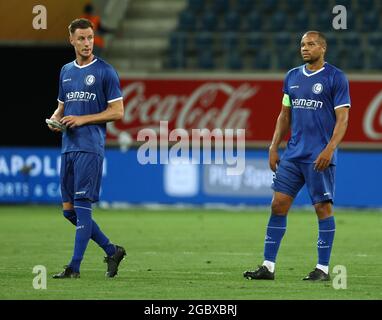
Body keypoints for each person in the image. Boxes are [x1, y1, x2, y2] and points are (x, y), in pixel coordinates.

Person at [243, 31, 350, 281]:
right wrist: (273, 146)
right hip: (292, 155)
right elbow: (284, 115)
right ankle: (268, 266)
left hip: (319, 156)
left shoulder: (336, 77)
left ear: (323, 48)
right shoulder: (292, 76)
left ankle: (322, 269)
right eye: (302, 44)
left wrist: (330, 148)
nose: (305, 48)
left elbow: (343, 119)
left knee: (322, 208)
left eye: (311, 44)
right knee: (277, 205)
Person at [47, 18, 126, 279]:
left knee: (81, 204)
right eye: (81, 38)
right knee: (69, 211)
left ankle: (74, 267)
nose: (86, 43)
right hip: (68, 146)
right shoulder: (65, 71)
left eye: (90, 38)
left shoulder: (105, 71)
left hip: (90, 147)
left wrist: (83, 119)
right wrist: (56, 120)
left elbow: (118, 111)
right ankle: (112, 250)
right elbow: (62, 107)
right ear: (71, 39)